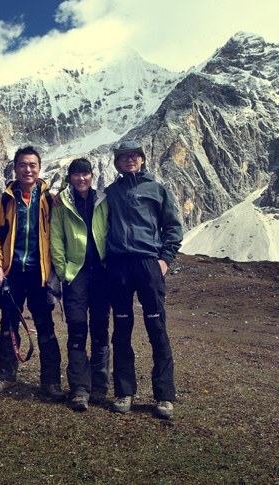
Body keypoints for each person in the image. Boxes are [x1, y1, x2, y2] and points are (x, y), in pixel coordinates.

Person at [105, 140, 183, 419]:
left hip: (148, 264)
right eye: (124, 156)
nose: (130, 159)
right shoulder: (111, 192)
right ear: (117, 162)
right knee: (121, 330)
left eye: (135, 155)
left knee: (156, 328)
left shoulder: (156, 189)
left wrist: (165, 260)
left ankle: (164, 396)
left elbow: (173, 227)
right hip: (119, 266)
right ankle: (124, 392)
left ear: (142, 159)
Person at [0, 146, 64, 400]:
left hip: (41, 274)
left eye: (32, 165)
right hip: (12, 273)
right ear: (15, 168)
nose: (28, 169)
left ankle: (51, 383)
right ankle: (6, 375)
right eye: (23, 165)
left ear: (39, 168)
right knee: (8, 324)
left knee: (45, 326)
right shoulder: (6, 199)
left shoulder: (50, 198)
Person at [50, 158, 110, 411]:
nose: (81, 178)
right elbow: (56, 237)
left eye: (85, 173)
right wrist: (63, 271)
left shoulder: (103, 200)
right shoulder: (62, 203)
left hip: (102, 273)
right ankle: (79, 389)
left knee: (100, 328)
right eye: (76, 174)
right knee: (76, 328)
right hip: (76, 274)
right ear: (70, 177)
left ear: (92, 175)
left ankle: (100, 387)